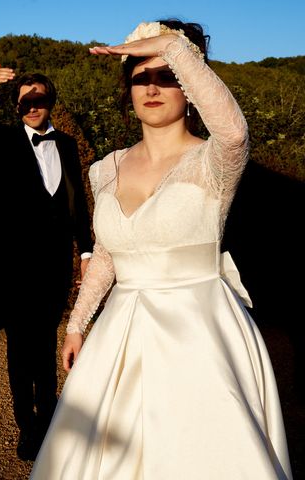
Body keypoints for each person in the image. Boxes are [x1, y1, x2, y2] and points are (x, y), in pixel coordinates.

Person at [30, 19, 293, 479]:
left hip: (200, 331)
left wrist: (175, 48)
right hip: (121, 333)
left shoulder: (215, 160)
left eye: (167, 76)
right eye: (140, 77)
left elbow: (233, 130)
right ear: (127, 92)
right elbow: (108, 254)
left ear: (189, 85)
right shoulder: (104, 169)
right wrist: (76, 325)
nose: (152, 87)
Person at [0, 67, 93, 461]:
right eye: (25, 101)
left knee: (46, 347)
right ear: (16, 105)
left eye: (40, 99)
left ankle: (49, 416)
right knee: (21, 351)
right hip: (14, 270)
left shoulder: (67, 145)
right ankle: (28, 428)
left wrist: (86, 252)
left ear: (50, 100)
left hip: (54, 269)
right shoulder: (2, 142)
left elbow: (77, 204)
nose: (33, 106)